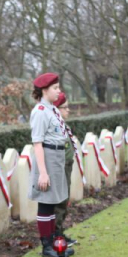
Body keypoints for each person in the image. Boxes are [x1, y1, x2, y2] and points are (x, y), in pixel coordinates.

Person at [27, 73, 75, 257]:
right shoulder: (40, 112)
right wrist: (43, 173)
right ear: (44, 90)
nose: (58, 91)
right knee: (46, 204)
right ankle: (47, 246)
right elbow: (37, 143)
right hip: (47, 157)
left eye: (58, 87)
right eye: (55, 88)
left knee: (54, 201)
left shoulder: (51, 110)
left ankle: (55, 242)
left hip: (57, 156)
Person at [52, 92, 78, 247]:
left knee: (64, 201)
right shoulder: (55, 128)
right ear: (57, 109)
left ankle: (59, 232)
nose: (68, 110)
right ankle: (56, 236)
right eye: (65, 107)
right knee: (59, 203)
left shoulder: (63, 126)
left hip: (66, 166)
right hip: (60, 168)